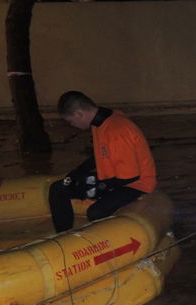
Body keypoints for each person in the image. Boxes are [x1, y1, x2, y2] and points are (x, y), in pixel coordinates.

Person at [49, 91, 157, 233]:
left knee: (96, 212)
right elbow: (100, 155)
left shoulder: (116, 130)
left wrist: (98, 186)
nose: (72, 125)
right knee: (58, 189)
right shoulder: (100, 123)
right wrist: (77, 173)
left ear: (79, 114)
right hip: (115, 178)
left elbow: (131, 177)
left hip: (137, 184)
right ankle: (64, 235)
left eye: (71, 121)